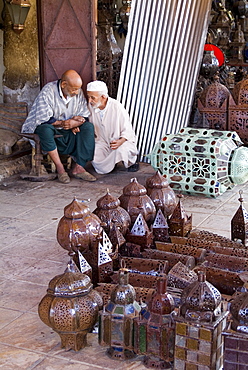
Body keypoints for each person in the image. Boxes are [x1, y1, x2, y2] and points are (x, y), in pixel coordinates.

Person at [21, 70, 96, 183]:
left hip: (67, 131)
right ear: (64, 84)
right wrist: (64, 123)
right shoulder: (48, 91)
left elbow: (84, 115)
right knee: (45, 129)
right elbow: (44, 118)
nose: (77, 92)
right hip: (50, 130)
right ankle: (60, 169)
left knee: (88, 127)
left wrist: (75, 123)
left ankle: (79, 167)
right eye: (74, 89)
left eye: (78, 89)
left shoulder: (78, 92)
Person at [86, 80, 139, 174]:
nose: (90, 100)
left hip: (119, 142)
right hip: (102, 142)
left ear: (103, 97)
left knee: (123, 149)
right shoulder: (91, 107)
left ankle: (131, 162)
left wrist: (120, 141)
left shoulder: (117, 107)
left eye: (92, 98)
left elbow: (128, 131)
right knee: (94, 154)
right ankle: (111, 165)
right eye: (89, 97)